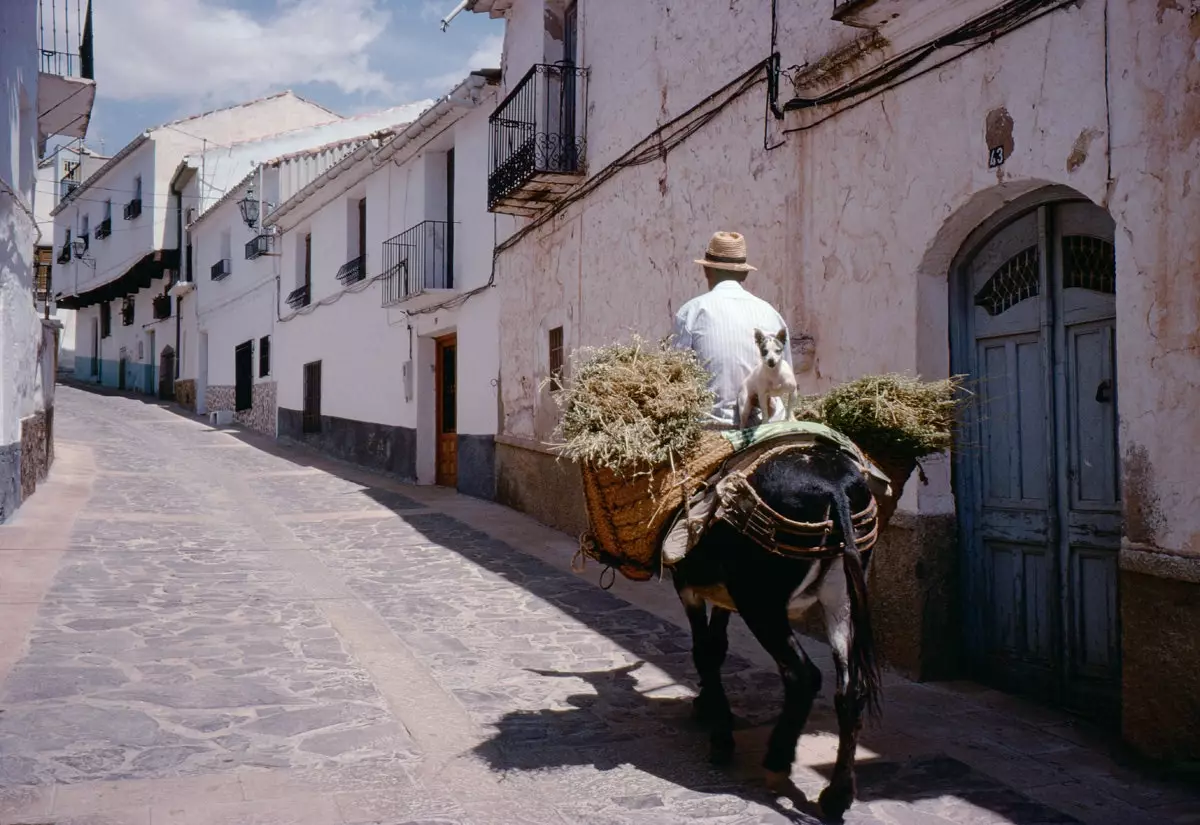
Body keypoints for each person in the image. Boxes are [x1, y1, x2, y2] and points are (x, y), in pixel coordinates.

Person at [672, 231, 793, 429]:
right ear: (744, 273)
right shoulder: (771, 314)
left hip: (715, 426)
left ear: (706, 271)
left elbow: (674, 383)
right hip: (770, 427)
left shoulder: (692, 312)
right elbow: (787, 378)